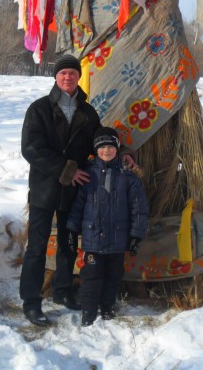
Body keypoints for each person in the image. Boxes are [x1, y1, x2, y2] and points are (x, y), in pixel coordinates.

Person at [20, 54, 137, 326]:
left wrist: (125, 152)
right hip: (45, 189)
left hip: (74, 192)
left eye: (72, 73)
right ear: (56, 77)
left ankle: (62, 291)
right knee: (37, 246)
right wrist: (67, 170)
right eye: (63, 74)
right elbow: (31, 149)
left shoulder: (88, 112)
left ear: (78, 77)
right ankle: (31, 301)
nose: (68, 78)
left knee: (69, 245)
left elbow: (100, 141)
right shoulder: (38, 109)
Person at [67, 126, 149, 326]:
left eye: (110, 147)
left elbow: (139, 208)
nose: (106, 150)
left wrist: (136, 236)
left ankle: (107, 307)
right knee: (91, 276)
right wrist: (71, 230)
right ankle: (88, 310)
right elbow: (77, 206)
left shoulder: (128, 177)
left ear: (117, 148)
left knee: (113, 276)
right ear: (95, 149)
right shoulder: (87, 175)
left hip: (117, 239)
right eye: (102, 147)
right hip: (93, 239)